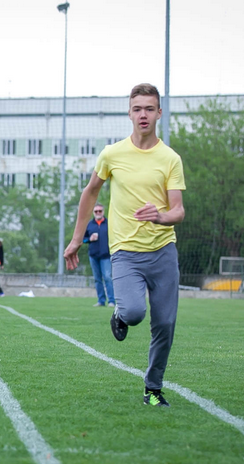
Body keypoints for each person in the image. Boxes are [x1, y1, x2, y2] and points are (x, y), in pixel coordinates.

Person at [64, 84, 186, 408]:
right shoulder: (112, 154)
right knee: (134, 312)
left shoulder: (170, 159)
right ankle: (119, 312)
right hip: (126, 252)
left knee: (165, 324)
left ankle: (153, 387)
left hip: (163, 252)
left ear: (159, 113)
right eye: (137, 109)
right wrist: (77, 239)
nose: (143, 114)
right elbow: (90, 192)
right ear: (129, 113)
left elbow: (178, 210)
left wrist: (161, 217)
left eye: (149, 108)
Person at [83, 204, 114, 307]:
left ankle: (111, 301)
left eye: (100, 211)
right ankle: (101, 301)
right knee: (97, 279)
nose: (98, 213)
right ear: (93, 213)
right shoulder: (90, 225)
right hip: (93, 255)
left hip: (106, 255)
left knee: (107, 277)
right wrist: (89, 239)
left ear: (103, 211)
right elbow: (83, 239)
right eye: (96, 211)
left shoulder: (109, 224)